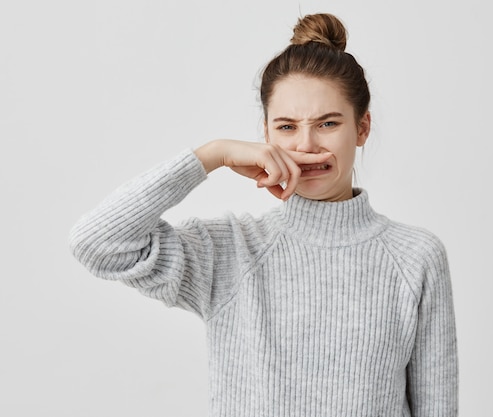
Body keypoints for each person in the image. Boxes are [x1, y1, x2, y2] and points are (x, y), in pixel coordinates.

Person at [69, 13, 458, 416]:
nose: (306, 145)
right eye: (287, 127)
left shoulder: (416, 257)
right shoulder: (233, 251)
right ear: (266, 135)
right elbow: (97, 244)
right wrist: (212, 155)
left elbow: (437, 408)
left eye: (327, 123)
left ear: (362, 128)